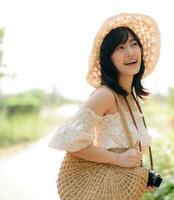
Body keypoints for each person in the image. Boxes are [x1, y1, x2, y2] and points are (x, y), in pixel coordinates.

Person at [48, 12, 160, 198]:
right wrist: (117, 159)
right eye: (121, 47)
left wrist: (139, 174)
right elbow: (68, 139)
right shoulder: (106, 95)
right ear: (109, 58)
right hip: (102, 191)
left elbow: (127, 152)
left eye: (134, 44)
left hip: (121, 191)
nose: (130, 52)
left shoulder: (130, 98)